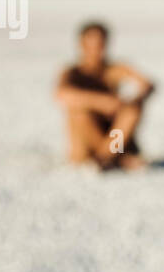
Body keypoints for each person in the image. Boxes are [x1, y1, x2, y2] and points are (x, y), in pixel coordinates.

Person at [55, 21, 155, 169]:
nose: (96, 49)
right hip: (85, 148)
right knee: (79, 112)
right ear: (82, 44)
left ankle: (106, 157)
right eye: (92, 44)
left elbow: (147, 84)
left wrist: (135, 99)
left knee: (132, 110)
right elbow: (62, 95)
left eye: (101, 44)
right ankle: (112, 158)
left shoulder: (114, 69)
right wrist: (101, 102)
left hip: (115, 143)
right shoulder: (73, 73)